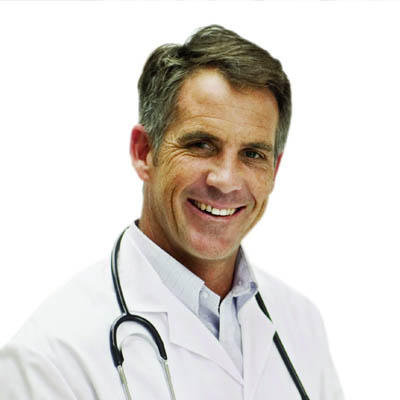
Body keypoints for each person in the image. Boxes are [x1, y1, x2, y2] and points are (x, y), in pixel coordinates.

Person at [0, 25, 344, 399]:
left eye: (252, 154)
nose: (226, 180)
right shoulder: (48, 361)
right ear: (144, 152)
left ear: (274, 170)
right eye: (201, 145)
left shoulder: (300, 324)